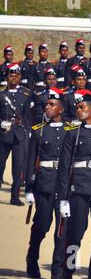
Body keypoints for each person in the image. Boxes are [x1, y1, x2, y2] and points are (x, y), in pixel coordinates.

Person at [54, 89, 91, 279]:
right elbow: (64, 168)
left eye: (82, 107)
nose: (78, 110)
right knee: (75, 235)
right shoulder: (72, 134)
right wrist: (64, 198)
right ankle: (68, 272)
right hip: (78, 189)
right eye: (77, 107)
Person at [24, 87, 68, 279]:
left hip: (64, 186)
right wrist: (29, 188)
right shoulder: (38, 130)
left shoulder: (71, 131)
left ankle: (58, 270)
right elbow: (30, 160)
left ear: (61, 109)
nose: (47, 108)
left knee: (63, 230)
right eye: (46, 104)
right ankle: (32, 256)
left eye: (52, 104)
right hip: (44, 183)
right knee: (42, 225)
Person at [0, 63, 31, 206]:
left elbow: (28, 116)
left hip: (20, 134)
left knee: (18, 167)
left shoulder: (26, 94)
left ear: (19, 77)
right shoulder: (2, 94)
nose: (13, 78)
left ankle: (14, 196)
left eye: (16, 76)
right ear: (6, 77)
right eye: (11, 76)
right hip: (3, 133)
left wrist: (28, 132)